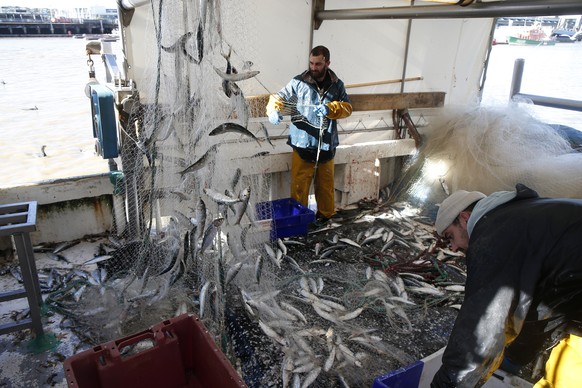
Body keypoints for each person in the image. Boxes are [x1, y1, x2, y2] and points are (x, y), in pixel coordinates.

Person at [431, 183, 582, 387]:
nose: (454, 247)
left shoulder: (494, 237)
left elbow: (482, 328)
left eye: (451, 237)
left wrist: (446, 384)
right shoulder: (525, 216)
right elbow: (543, 306)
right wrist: (516, 357)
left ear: (465, 218)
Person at [265, 45, 352, 228]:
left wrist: (331, 108)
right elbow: (279, 97)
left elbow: (347, 108)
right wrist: (273, 110)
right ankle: (299, 221)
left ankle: (326, 218)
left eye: (318, 64)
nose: (314, 67)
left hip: (326, 144)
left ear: (327, 63)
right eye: (311, 63)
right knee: (299, 187)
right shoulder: (298, 82)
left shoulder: (337, 85)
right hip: (302, 143)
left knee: (325, 186)